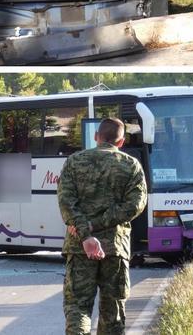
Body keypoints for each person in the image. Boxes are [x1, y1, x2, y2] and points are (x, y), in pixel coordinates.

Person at [57, 118, 148, 335]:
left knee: (78, 308)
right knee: (113, 312)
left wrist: (85, 231)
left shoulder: (74, 161)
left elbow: (66, 202)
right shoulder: (131, 165)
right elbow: (136, 205)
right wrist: (96, 224)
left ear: (96, 136)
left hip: (80, 247)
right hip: (115, 248)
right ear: (122, 141)